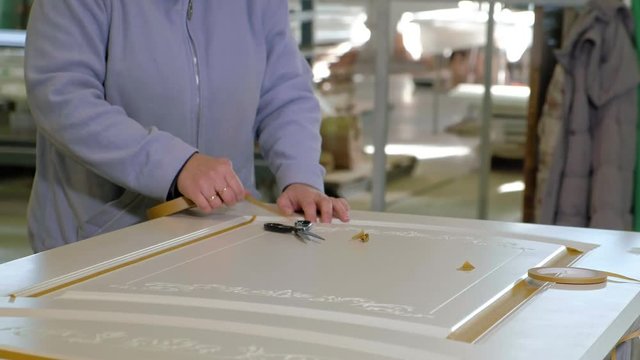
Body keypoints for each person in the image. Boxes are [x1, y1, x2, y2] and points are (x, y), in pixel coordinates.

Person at [24, 0, 350, 253]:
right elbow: (62, 96)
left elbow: (285, 92)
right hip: (95, 243)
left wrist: (300, 178)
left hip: (220, 237)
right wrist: (174, 165)